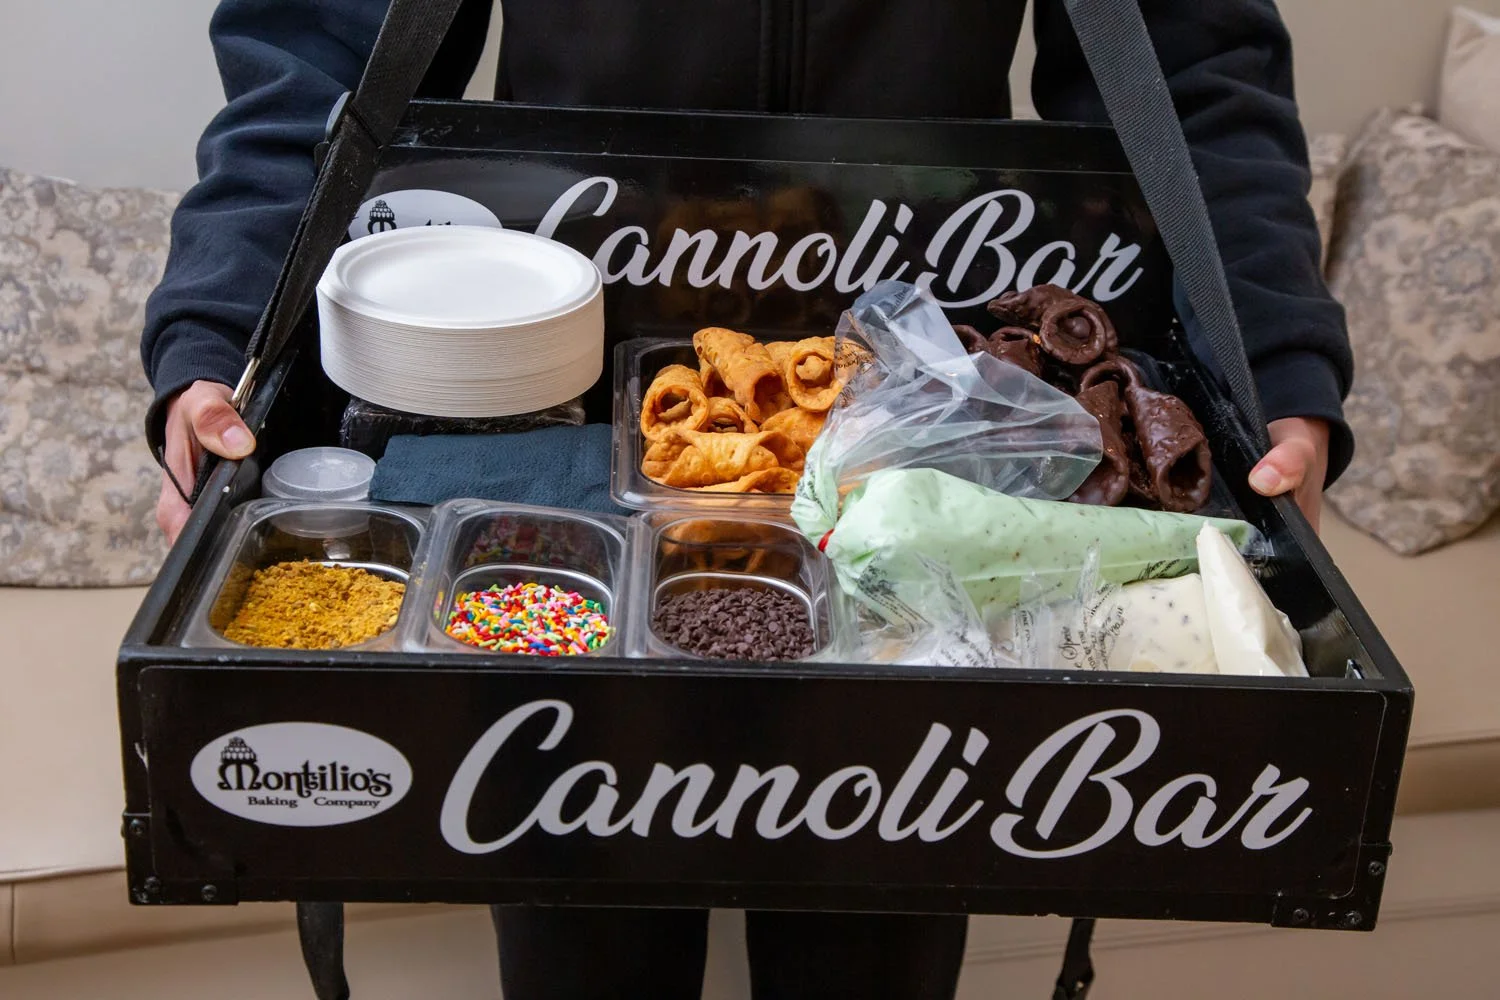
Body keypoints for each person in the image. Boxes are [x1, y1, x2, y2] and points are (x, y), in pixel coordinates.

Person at [141, 1, 1352, 996]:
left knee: (887, 902)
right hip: (563, 390)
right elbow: (322, 48)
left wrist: (1271, 362)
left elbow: (1185, 62)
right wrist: (225, 336)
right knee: (575, 897)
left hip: (931, 386)